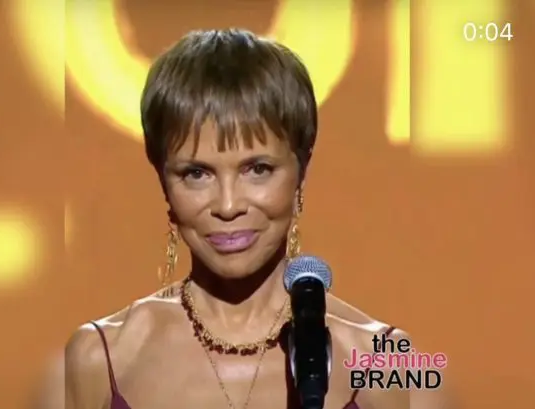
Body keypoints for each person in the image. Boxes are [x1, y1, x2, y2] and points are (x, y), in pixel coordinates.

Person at [43, 29, 453, 409]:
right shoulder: (101, 358)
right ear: (163, 181)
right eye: (196, 174)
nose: (228, 205)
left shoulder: (384, 360)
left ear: (301, 170)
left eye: (257, 169)